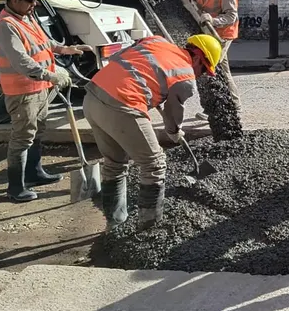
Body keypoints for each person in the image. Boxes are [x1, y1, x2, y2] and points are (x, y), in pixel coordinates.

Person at [83, 33, 222, 231]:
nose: (200, 75)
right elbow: (174, 113)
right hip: (122, 104)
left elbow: (119, 60)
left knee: (114, 163)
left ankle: (114, 225)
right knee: (154, 164)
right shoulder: (185, 76)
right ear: (199, 57)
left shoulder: (157, 41)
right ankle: (149, 229)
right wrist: (174, 132)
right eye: (203, 70)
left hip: (93, 97)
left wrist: (151, 92)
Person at [0, 0, 92, 203]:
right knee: (22, 137)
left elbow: (44, 42)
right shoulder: (5, 26)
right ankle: (15, 187)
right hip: (22, 92)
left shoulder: (26, 17)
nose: (34, 4)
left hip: (40, 88)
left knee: (37, 132)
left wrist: (67, 50)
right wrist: (52, 75)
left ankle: (34, 173)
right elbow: (21, 61)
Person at [179, 0, 241, 118]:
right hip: (208, 35)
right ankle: (225, 108)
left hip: (222, 35)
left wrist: (212, 20)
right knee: (220, 70)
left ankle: (228, 109)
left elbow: (231, 16)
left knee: (213, 70)